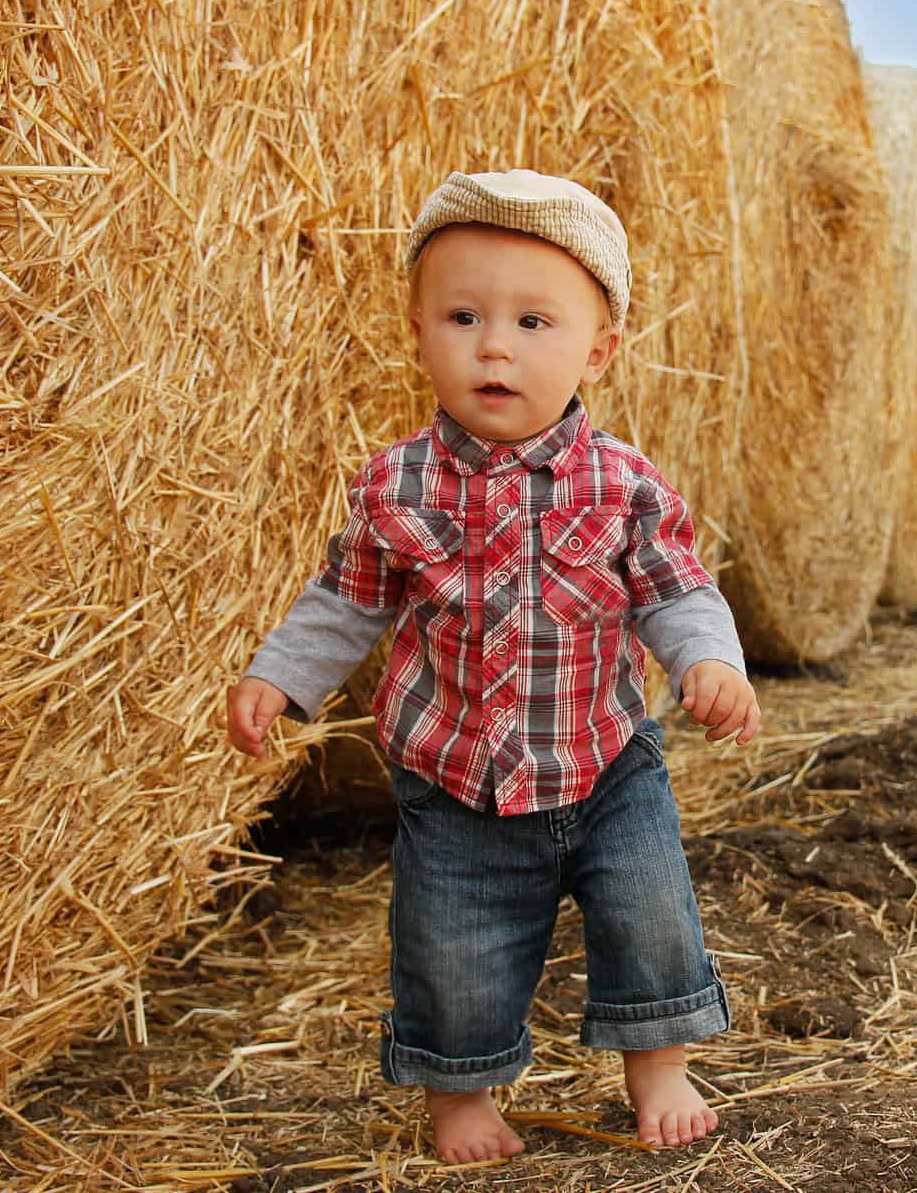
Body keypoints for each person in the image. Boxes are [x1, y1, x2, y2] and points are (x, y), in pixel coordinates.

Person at [225, 170, 761, 1165]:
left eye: (531, 321)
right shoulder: (397, 481)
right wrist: (281, 675)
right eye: (462, 316)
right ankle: (460, 1093)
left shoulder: (622, 481)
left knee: (649, 913)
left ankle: (659, 1064)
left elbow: (674, 589)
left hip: (606, 764)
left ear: (596, 349)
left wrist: (710, 661)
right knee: (451, 952)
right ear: (418, 330)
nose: (494, 345)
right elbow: (344, 597)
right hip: (453, 776)